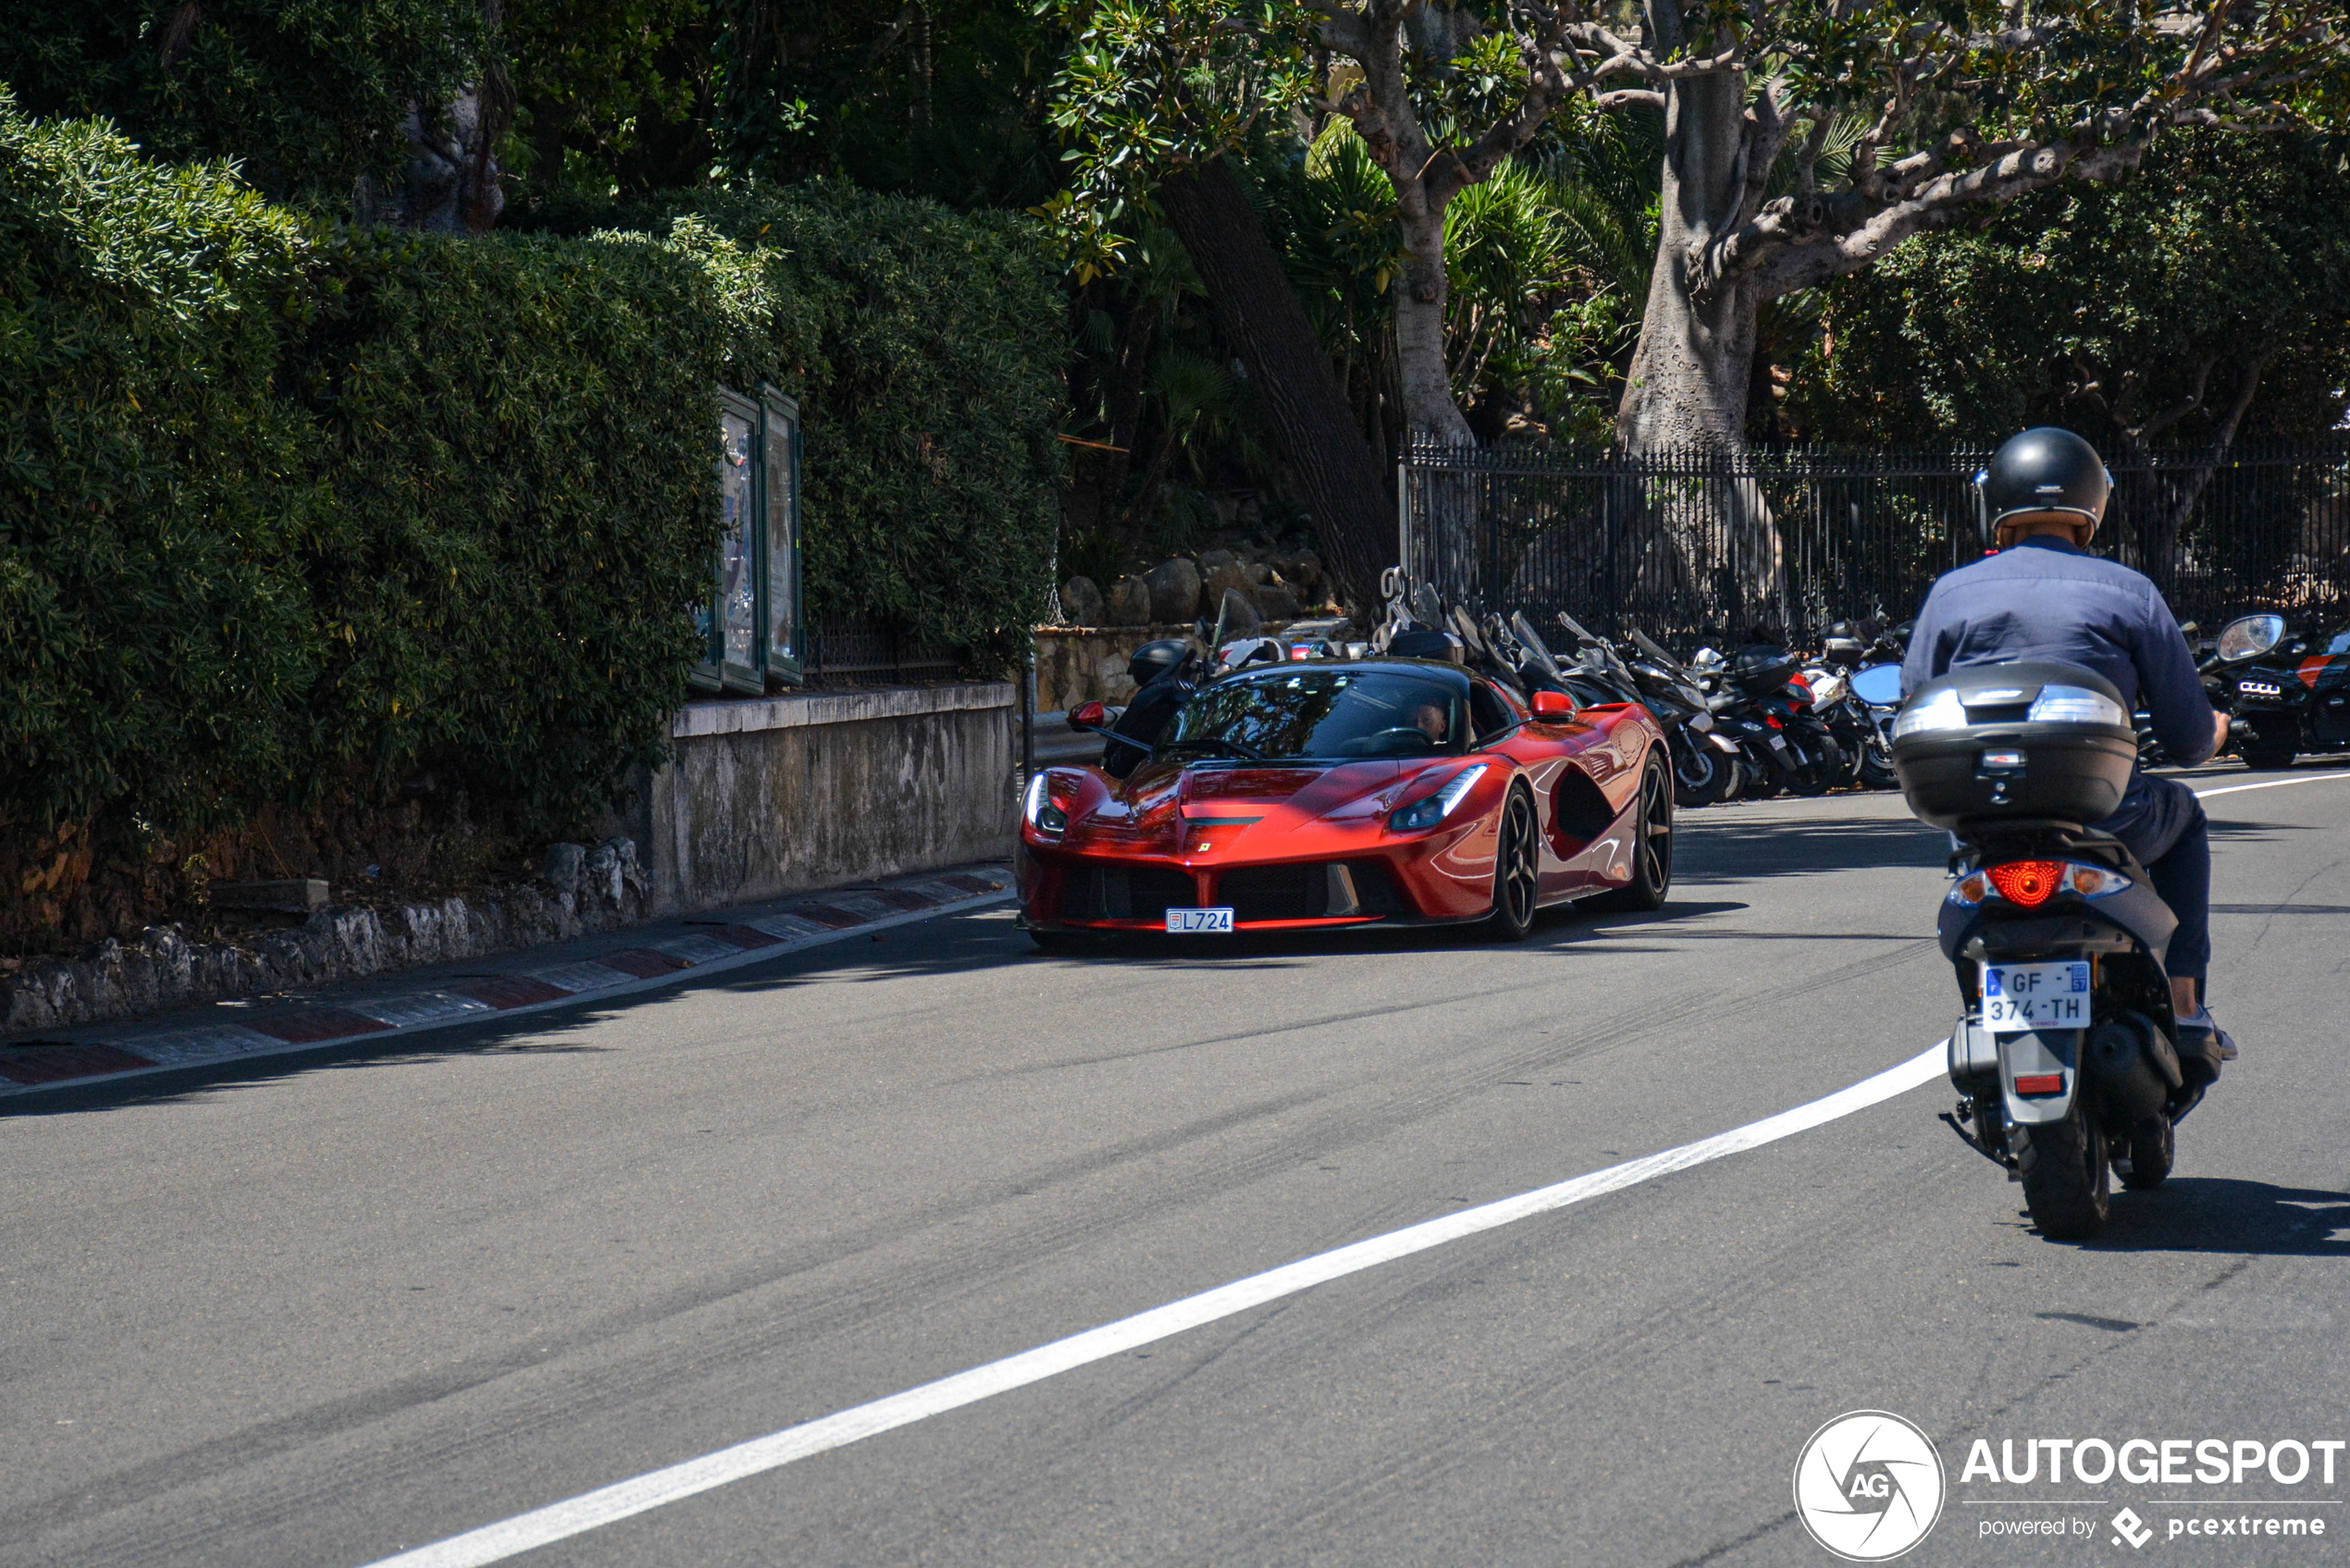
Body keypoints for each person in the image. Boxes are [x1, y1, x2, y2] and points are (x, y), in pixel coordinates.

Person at [1902, 426, 2235, 1080]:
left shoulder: (1950, 593)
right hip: (2107, 818)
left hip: (1983, 826)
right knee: (2187, 814)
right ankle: (2184, 996)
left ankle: (1983, 1001)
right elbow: (2192, 739)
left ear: (1995, 504)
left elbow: (1914, 706)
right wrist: (2219, 730)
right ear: (2093, 504)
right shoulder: (2129, 591)